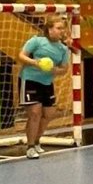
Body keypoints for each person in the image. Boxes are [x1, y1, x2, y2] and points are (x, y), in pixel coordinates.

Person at [17, 15, 71, 158]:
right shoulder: (36, 41)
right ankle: (30, 147)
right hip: (30, 80)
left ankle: (36, 141)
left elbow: (64, 69)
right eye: (59, 28)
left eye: (63, 28)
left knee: (49, 114)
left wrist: (54, 70)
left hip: (47, 83)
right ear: (49, 29)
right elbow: (21, 56)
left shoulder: (63, 49)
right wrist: (36, 63)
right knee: (35, 112)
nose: (62, 31)